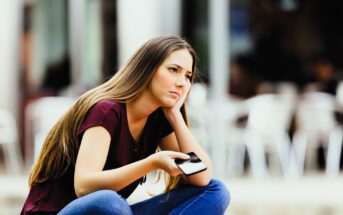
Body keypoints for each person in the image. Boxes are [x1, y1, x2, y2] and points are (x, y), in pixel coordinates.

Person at [21, 35, 230, 215]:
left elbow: (201, 177)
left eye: (187, 76)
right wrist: (152, 163)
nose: (182, 82)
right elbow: (84, 186)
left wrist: (175, 116)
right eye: (173, 70)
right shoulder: (107, 110)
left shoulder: (158, 120)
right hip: (59, 211)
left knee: (216, 191)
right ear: (147, 69)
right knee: (109, 202)